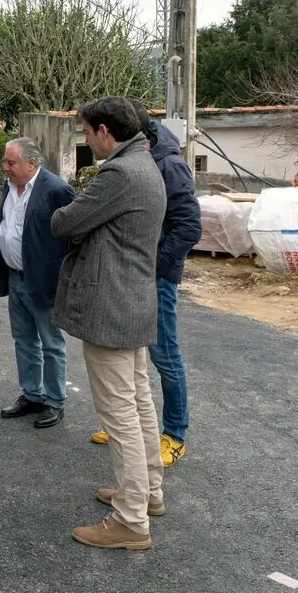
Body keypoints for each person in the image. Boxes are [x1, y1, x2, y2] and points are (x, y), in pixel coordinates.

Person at [51, 97, 167, 551]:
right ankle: (148, 493)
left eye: (86, 132)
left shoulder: (118, 173)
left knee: (120, 414)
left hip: (111, 308)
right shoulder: (146, 164)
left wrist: (81, 224)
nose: (85, 140)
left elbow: (66, 221)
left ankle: (131, 520)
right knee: (138, 403)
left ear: (104, 131)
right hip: (133, 301)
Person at [88, 100, 202, 468]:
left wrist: (153, 268)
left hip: (155, 279)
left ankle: (174, 435)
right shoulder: (134, 160)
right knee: (132, 358)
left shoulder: (168, 165)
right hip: (132, 278)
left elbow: (189, 227)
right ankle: (131, 426)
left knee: (165, 356)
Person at [0, 137, 76, 429]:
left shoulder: (56, 189)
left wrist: (63, 277)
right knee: (24, 341)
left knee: (51, 344)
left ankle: (54, 401)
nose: (5, 167)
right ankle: (32, 394)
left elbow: (75, 234)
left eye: (10, 162)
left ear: (31, 163)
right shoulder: (9, 186)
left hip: (44, 282)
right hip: (15, 278)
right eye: (5, 161)